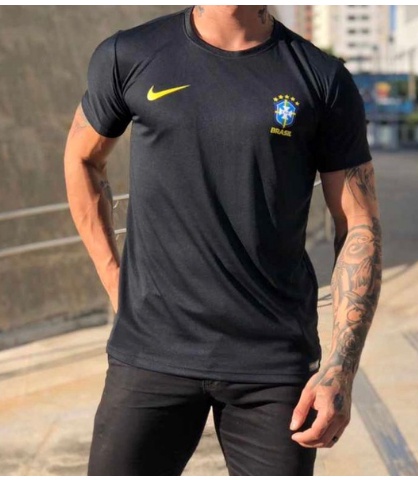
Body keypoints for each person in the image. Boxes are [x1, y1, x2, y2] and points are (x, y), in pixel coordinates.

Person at [64, 5, 382, 476]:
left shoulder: (322, 78)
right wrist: (116, 281)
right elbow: (82, 159)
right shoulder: (131, 53)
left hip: (272, 365)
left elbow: (358, 224)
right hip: (151, 351)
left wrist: (341, 366)